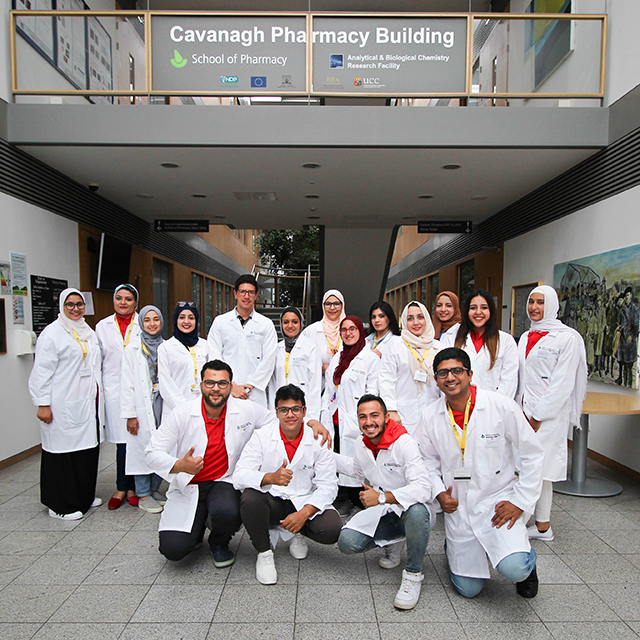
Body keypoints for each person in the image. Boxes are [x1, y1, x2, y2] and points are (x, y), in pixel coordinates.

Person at [145, 360, 330, 567]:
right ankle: (195, 534)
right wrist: (179, 465)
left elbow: (280, 418)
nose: (216, 388)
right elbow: (151, 453)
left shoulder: (245, 409)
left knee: (229, 511)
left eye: (223, 383)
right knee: (174, 550)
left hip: (223, 481)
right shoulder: (183, 412)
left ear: (231, 386)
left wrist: (312, 422)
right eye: (210, 383)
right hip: (189, 483)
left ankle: (219, 543)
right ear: (201, 385)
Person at [417, 347, 544, 599]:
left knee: (515, 568)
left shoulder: (500, 406)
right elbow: (426, 461)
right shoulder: (430, 415)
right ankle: (452, 548)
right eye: (443, 373)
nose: (450, 377)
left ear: (470, 374)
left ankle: (528, 566)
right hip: (459, 504)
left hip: (498, 501)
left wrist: (519, 502)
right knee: (468, 589)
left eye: (457, 371)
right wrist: (440, 493)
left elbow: (532, 454)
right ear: (435, 380)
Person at [234, 384, 342, 584]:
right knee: (250, 499)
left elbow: (329, 485)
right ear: (276, 412)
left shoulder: (318, 439)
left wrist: (304, 513)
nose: (290, 415)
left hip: (303, 500)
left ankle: (298, 532)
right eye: (284, 410)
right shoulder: (262, 435)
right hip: (273, 500)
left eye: (295, 409)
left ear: (304, 412)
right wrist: (269, 478)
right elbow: (239, 475)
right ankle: (264, 553)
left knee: (331, 529)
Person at [336, 394, 433, 610]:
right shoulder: (362, 444)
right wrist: (322, 454)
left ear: (387, 417)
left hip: (412, 510)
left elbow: (423, 488)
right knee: (347, 542)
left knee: (417, 512)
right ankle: (394, 542)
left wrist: (381, 497)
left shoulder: (404, 443)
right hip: (386, 511)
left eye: (374, 415)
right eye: (363, 417)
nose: (369, 422)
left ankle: (413, 575)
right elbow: (357, 469)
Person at [517, 285, 587, 542]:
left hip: (547, 416)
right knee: (540, 470)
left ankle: (516, 523)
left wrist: (537, 416)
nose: (534, 307)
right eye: (531, 302)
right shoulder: (526, 336)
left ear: (553, 306)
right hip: (524, 412)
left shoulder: (568, 338)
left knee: (535, 469)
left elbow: (562, 384)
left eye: (540, 302)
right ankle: (543, 527)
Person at [29, 288, 103, 520]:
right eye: (70, 304)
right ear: (62, 306)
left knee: (85, 452)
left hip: (85, 402)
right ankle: (59, 505)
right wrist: (42, 403)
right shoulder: (52, 334)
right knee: (61, 454)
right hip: (60, 404)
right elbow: (41, 372)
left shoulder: (87, 332)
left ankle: (84, 497)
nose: (75, 308)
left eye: (79, 304)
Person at [321, 316, 379, 510]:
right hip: (335, 418)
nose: (348, 333)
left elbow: (373, 392)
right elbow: (329, 389)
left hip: (356, 420)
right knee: (336, 457)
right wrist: (323, 414)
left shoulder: (370, 358)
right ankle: (341, 497)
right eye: (344, 330)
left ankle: (358, 499)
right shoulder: (338, 357)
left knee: (357, 461)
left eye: (352, 329)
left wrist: (367, 418)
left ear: (360, 332)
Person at [95, 284, 141, 510]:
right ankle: (121, 488)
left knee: (136, 438)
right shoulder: (102, 327)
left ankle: (135, 488)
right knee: (122, 441)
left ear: (136, 303)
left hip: (137, 389)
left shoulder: (144, 323)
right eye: (119, 298)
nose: (123, 303)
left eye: (128, 299)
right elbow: (97, 361)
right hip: (113, 388)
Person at [120, 305, 166, 514]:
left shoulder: (166, 347)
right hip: (141, 405)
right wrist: (130, 414)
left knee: (161, 446)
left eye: (156, 319)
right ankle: (143, 492)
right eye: (147, 320)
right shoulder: (132, 349)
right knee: (141, 447)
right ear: (141, 323)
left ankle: (155, 487)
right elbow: (126, 384)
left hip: (161, 403)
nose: (152, 324)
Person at [207, 274, 278, 407]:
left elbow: (269, 359)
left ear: (256, 295)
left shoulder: (266, 324)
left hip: (255, 393)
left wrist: (250, 386)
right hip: (227, 391)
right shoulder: (220, 322)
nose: (247, 296)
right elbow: (214, 356)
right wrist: (231, 385)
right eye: (243, 292)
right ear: (235, 294)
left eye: (251, 292)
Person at [440, 289, 519, 399]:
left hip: (494, 407)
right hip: (458, 406)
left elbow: (509, 381)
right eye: (473, 308)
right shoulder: (452, 339)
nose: (478, 312)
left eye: (484, 307)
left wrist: (496, 407)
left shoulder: (506, 341)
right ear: (467, 311)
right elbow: (443, 375)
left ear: (491, 310)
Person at [379, 301, 441, 436]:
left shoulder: (438, 347)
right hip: (403, 413)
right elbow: (386, 380)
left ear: (427, 319)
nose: (416, 322)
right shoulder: (396, 345)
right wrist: (391, 409)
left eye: (420, 317)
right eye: (410, 318)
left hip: (434, 409)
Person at [267, 307, 322, 423]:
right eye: (286, 322)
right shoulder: (276, 348)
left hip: (302, 407)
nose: (290, 326)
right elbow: (272, 384)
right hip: (281, 407)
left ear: (301, 324)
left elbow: (315, 385)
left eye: (295, 322)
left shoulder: (310, 348)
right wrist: (273, 411)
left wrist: (311, 417)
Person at [158, 302, 209, 420]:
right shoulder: (165, 348)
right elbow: (165, 383)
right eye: (182, 317)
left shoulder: (205, 345)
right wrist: (184, 408)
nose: (186, 321)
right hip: (175, 410)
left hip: (202, 407)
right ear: (176, 320)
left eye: (191, 318)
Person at [301, 289, 346, 373]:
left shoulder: (350, 330)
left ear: (342, 305)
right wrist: (320, 368)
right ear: (323, 306)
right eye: (328, 304)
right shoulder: (310, 331)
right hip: (319, 383)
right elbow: (301, 359)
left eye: (336, 304)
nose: (332, 308)